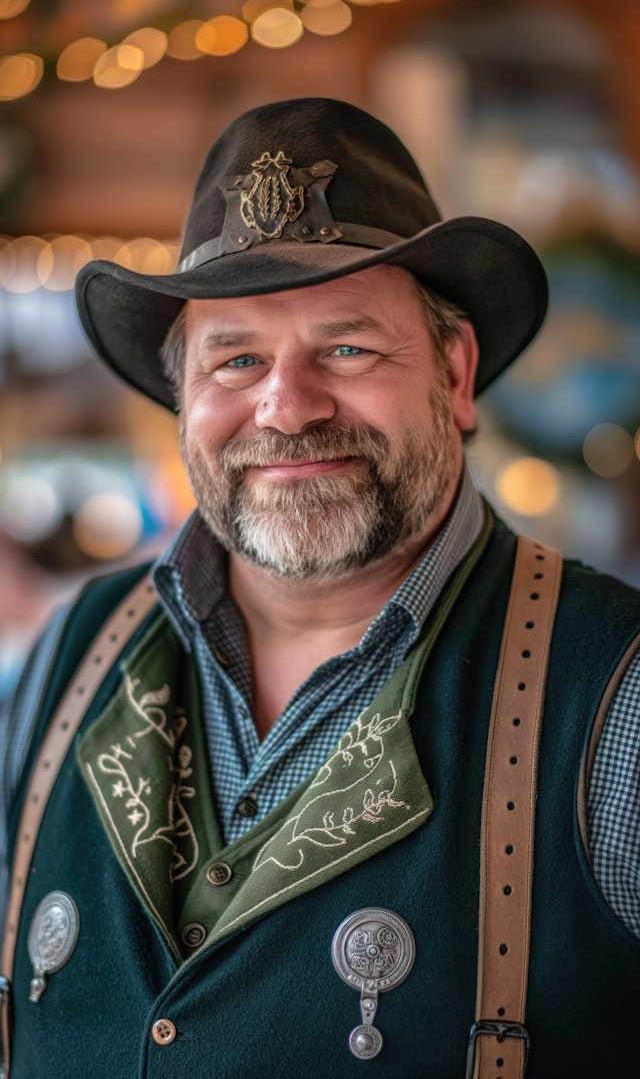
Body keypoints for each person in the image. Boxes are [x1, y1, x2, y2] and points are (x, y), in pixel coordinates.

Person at [1, 97, 639, 1079]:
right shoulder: (66, 655)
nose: (286, 407)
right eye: (236, 358)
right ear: (185, 398)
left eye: (346, 347)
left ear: (455, 373)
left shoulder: (616, 696)